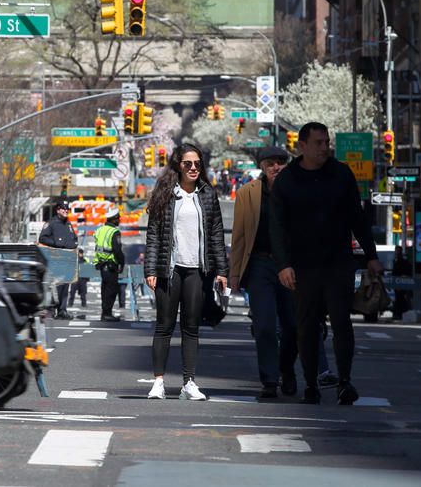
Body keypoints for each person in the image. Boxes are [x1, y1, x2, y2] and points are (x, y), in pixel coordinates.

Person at [269, 122, 381, 405]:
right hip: (303, 266)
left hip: (337, 263)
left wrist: (371, 255)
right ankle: (310, 385)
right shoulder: (287, 180)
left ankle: (344, 381)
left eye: (326, 142)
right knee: (306, 327)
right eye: (318, 143)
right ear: (302, 146)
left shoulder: (341, 174)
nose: (324, 148)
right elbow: (278, 228)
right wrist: (283, 265)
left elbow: (358, 218)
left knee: (342, 322)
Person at [144, 143, 229, 401]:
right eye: (187, 164)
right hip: (169, 269)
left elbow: (216, 234)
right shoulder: (166, 193)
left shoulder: (207, 194)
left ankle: (188, 382)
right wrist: (150, 268)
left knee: (191, 327)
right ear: (178, 166)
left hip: (197, 270)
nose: (193, 168)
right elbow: (154, 234)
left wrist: (221, 270)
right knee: (164, 326)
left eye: (197, 164)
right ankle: (158, 382)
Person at [229, 145, 298, 399]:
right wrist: (234, 273)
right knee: (265, 324)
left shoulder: (295, 190)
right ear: (262, 167)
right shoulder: (248, 193)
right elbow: (239, 236)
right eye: (270, 163)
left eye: (280, 162)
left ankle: (287, 369)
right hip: (259, 265)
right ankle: (269, 379)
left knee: (293, 326)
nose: (276, 167)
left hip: (291, 266)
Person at [38, 201, 79, 320]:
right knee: (54, 286)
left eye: (67, 209)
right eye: (63, 209)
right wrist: (56, 244)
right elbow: (42, 238)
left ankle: (62, 310)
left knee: (65, 286)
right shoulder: (51, 223)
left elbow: (74, 239)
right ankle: (51, 310)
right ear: (58, 210)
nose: (66, 211)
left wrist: (73, 244)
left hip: (66, 260)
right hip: (55, 260)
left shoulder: (68, 224)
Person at [94, 207, 125, 322]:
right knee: (111, 290)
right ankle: (107, 313)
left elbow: (97, 247)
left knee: (105, 289)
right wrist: (122, 262)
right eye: (118, 218)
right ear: (114, 219)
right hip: (111, 265)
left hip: (102, 265)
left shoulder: (100, 230)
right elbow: (117, 250)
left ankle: (104, 313)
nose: (119, 220)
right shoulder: (114, 232)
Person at [392, 245, 413, 320]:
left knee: (402, 299)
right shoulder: (395, 261)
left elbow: (407, 272)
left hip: (402, 283)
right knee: (398, 299)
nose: (396, 253)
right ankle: (398, 314)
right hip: (397, 283)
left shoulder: (404, 262)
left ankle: (401, 314)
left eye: (398, 251)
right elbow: (394, 273)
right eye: (396, 251)